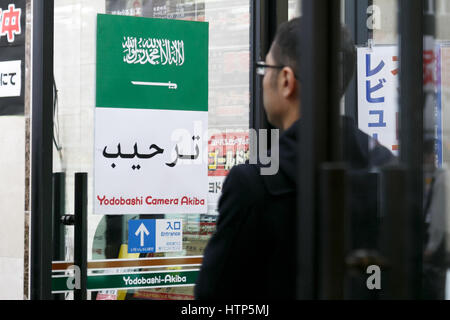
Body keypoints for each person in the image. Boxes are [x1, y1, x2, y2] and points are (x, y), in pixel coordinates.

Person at [194, 17, 395, 300]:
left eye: (265, 68)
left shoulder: (253, 184)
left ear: (286, 80)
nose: (263, 80)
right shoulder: (387, 168)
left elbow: (212, 298)